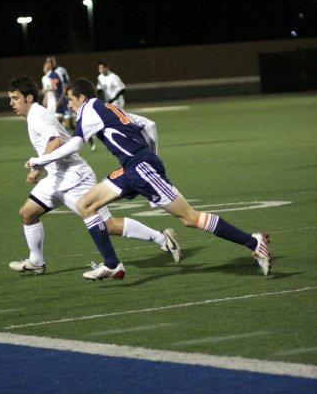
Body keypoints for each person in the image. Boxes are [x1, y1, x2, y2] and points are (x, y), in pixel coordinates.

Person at [25, 78, 272, 281]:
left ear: (81, 97)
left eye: (70, 99)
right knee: (85, 205)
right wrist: (152, 158)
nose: (69, 105)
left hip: (140, 168)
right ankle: (111, 263)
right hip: (133, 169)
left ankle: (254, 242)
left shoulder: (88, 109)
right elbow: (149, 124)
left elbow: (76, 143)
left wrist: (40, 161)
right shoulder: (110, 108)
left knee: (189, 217)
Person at [7, 76, 181, 275]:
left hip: (75, 178)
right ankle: (36, 262)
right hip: (56, 178)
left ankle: (162, 238)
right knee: (27, 213)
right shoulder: (33, 115)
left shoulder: (38, 115)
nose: (11, 103)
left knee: (107, 225)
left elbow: (54, 141)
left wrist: (37, 167)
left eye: (14, 98)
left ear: (28, 98)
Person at [46, 56, 75, 131]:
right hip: (59, 100)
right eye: (48, 62)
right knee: (57, 125)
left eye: (52, 61)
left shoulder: (61, 70)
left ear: (55, 62)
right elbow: (54, 88)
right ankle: (64, 142)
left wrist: (60, 100)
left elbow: (66, 86)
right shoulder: (50, 74)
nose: (50, 63)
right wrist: (56, 99)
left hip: (65, 99)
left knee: (69, 125)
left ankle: (89, 138)